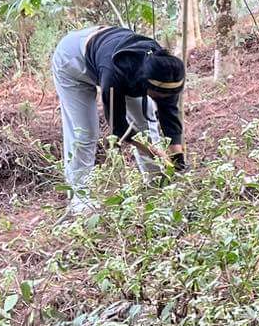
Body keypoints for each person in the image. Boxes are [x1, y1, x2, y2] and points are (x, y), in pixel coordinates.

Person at [51, 25, 186, 210]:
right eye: (159, 96)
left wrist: (177, 160)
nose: (164, 100)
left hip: (108, 51)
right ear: (147, 86)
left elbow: (169, 115)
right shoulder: (114, 77)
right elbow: (119, 129)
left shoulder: (164, 69)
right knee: (85, 133)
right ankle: (79, 197)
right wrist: (156, 153)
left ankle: (158, 185)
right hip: (72, 61)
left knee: (146, 124)